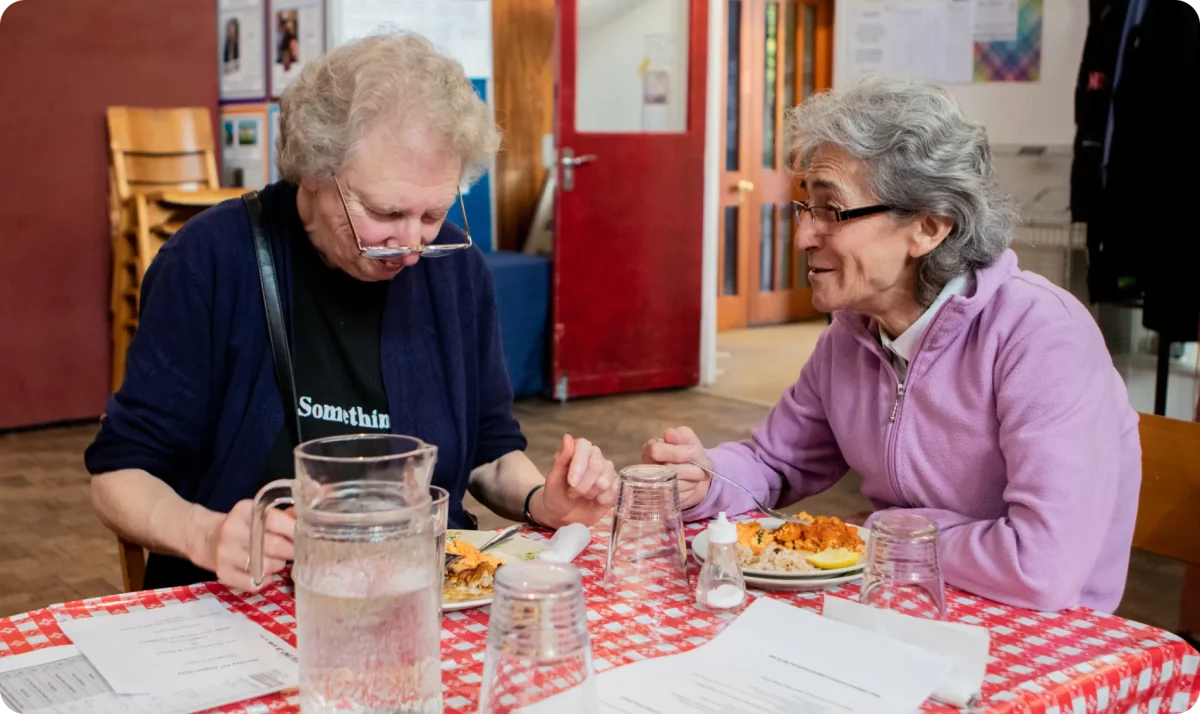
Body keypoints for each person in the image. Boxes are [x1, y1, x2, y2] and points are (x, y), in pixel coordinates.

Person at [87, 32, 619, 592]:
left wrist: (544, 500)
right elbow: (117, 476)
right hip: (244, 600)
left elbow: (490, 454)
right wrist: (205, 533)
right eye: (385, 211)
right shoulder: (210, 261)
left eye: (432, 214)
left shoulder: (455, 269)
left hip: (425, 597)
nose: (412, 246)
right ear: (315, 171)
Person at [643, 77, 1141, 614]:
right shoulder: (852, 333)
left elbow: (1041, 566)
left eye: (832, 211)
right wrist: (704, 477)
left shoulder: (1042, 338)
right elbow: (775, 460)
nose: (803, 237)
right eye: (804, 208)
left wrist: (880, 534)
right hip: (901, 602)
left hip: (1045, 639)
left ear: (928, 227)